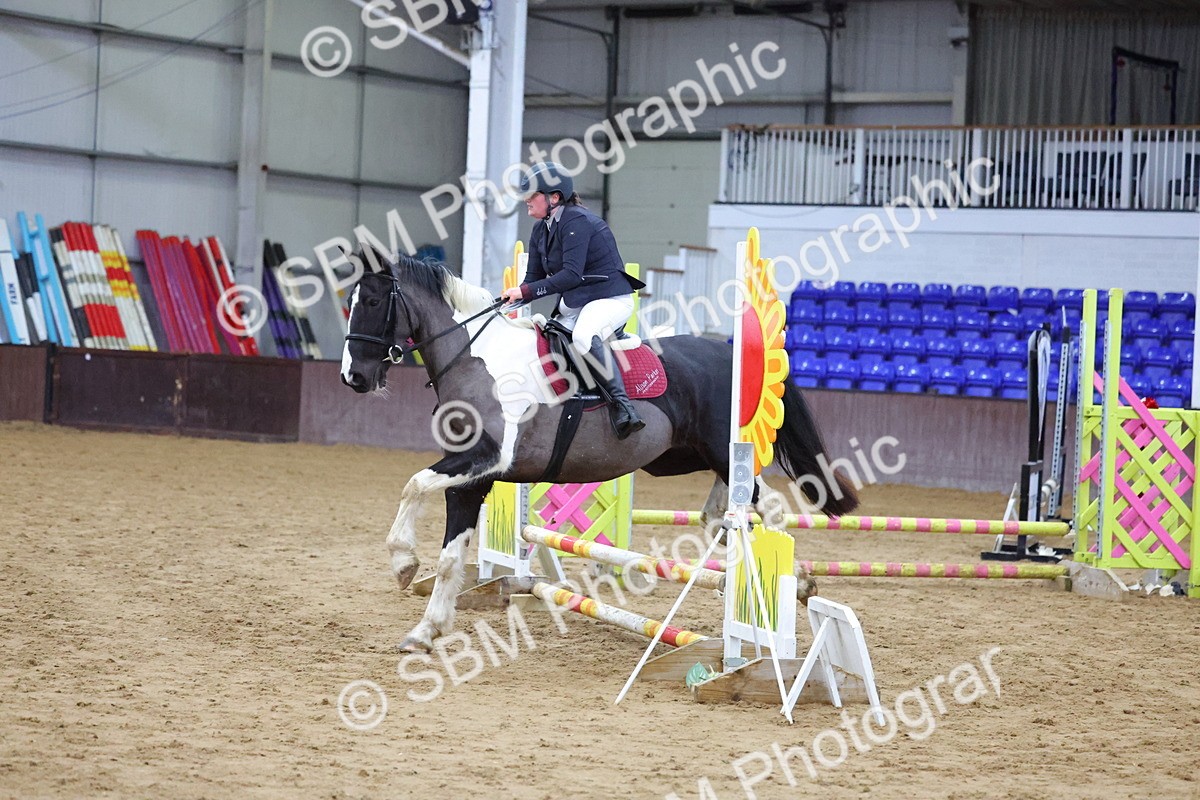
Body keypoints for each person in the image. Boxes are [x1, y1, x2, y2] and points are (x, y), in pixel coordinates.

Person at [500, 161, 647, 440]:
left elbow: (569, 276)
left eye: (533, 195)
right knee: (548, 335)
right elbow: (533, 278)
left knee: (581, 337)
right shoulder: (540, 230)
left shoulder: (577, 221)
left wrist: (526, 292)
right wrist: (511, 299)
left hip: (610, 299)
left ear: (554, 197)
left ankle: (624, 408)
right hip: (579, 303)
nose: (526, 201)